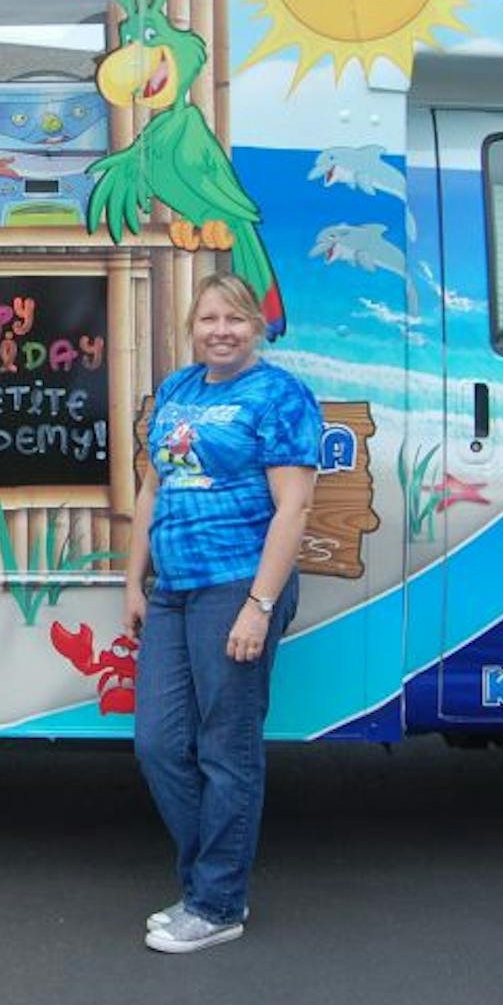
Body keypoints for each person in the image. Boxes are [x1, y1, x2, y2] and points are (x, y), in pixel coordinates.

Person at [122, 271, 319, 953]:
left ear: (254, 326)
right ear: (193, 326)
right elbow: (152, 487)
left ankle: (216, 904)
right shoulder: (177, 389)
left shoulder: (280, 394)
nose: (220, 331)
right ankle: (203, 885)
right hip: (173, 591)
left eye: (234, 319)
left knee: (225, 748)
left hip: (236, 585)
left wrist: (259, 606)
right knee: (157, 742)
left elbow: (294, 507)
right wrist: (132, 580)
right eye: (208, 319)